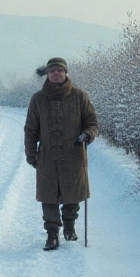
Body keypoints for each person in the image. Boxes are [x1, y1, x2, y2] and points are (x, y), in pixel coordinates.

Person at [23, 57, 98, 251]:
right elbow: (31, 130)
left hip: (74, 154)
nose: (56, 73)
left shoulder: (80, 97)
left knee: (72, 193)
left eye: (59, 70)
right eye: (52, 71)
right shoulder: (38, 99)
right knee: (48, 196)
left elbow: (92, 122)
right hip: (47, 156)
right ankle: (52, 234)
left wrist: (87, 135)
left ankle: (70, 226)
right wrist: (31, 154)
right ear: (47, 74)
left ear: (66, 73)